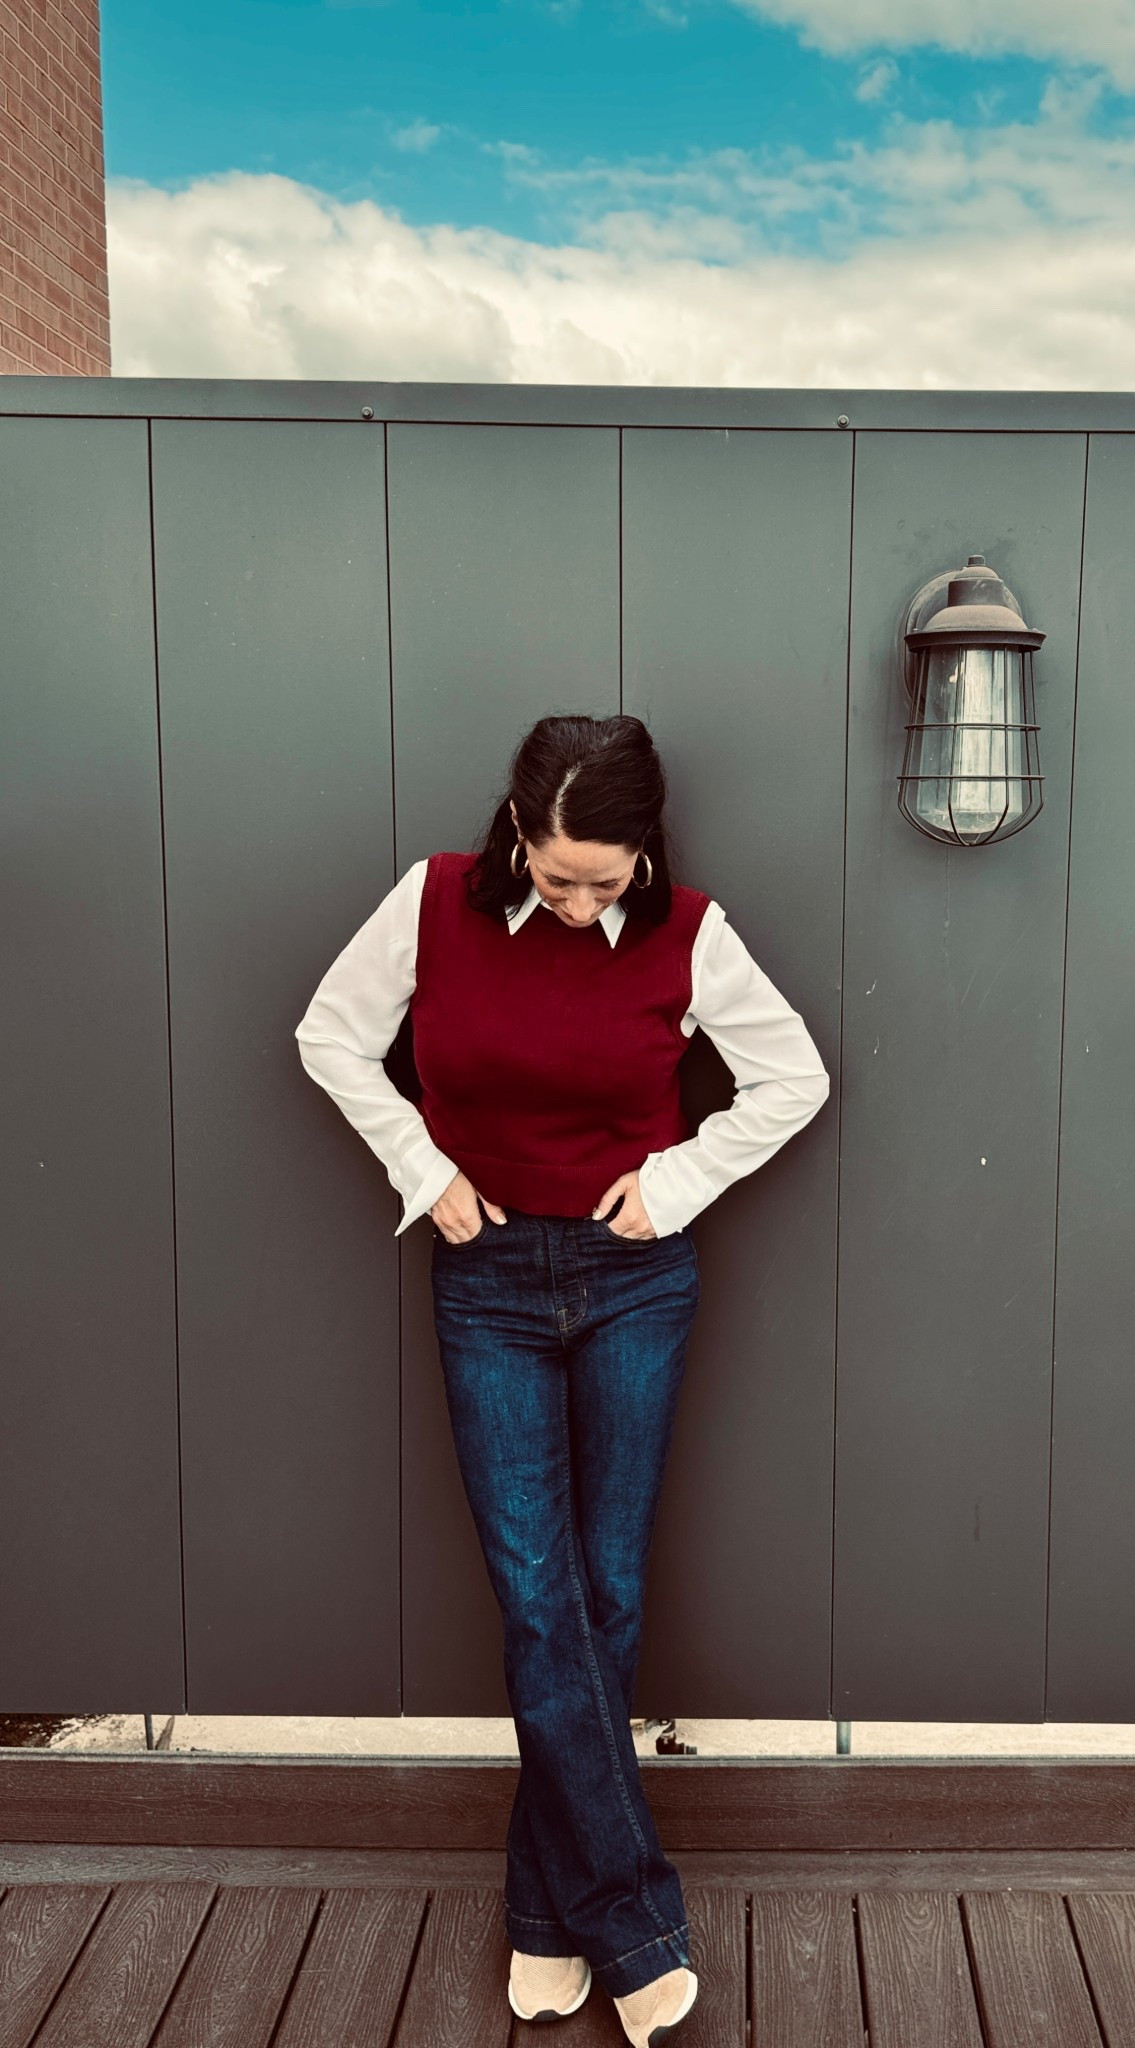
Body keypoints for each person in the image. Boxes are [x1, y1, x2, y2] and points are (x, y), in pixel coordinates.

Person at [294, 712, 830, 2044]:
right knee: (541, 1600)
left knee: (607, 1595)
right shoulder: (431, 904)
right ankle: (633, 1918)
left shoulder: (689, 930)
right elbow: (328, 1037)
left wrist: (676, 1183)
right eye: (561, 875)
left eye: (609, 877)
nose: (586, 901)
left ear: (645, 847)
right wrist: (425, 1171)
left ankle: (545, 1915)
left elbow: (794, 1076)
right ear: (517, 831)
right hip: (486, 1285)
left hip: (635, 1280)